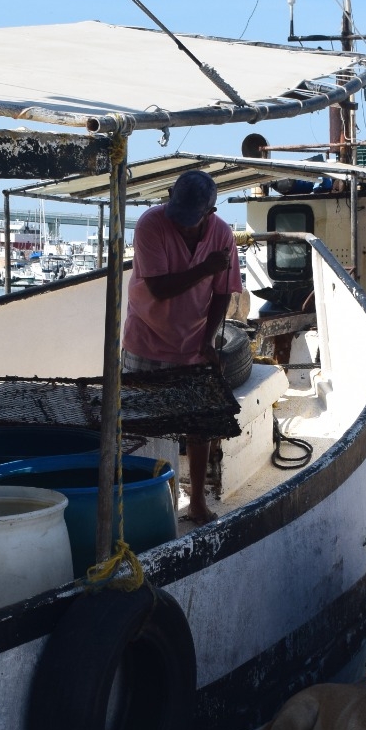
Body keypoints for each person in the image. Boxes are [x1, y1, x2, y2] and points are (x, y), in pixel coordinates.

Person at [122, 169, 243, 525]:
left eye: (192, 221)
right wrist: (205, 268)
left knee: (200, 425)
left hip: (192, 344)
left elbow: (223, 292)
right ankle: (136, 502)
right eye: (180, 218)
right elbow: (158, 288)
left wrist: (207, 342)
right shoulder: (150, 224)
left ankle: (198, 502)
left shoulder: (222, 234)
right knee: (137, 426)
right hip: (144, 340)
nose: (184, 227)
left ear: (211, 212)